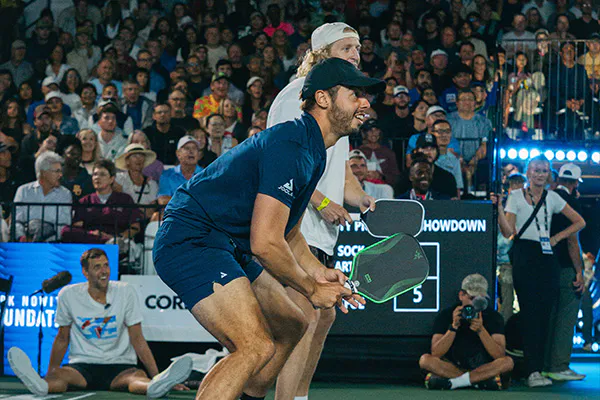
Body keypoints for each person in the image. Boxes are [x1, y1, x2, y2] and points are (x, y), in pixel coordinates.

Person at [153, 58, 380, 400]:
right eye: (355, 94)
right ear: (323, 99)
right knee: (254, 345)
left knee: (293, 325)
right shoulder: (291, 145)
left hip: (229, 243)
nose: (365, 103)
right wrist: (310, 288)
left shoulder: (314, 151)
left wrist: (319, 273)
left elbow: (288, 232)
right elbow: (265, 243)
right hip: (192, 237)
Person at [266, 23, 376, 400]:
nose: (355, 53)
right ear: (321, 53)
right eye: (346, 47)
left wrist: (361, 198)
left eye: (358, 47)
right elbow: (281, 161)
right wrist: (322, 202)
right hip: (291, 227)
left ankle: (299, 395)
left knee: (323, 315)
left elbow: (340, 168)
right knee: (303, 317)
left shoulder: (343, 102)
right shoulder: (296, 95)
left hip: (322, 233)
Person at [7, 248, 192, 398]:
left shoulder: (125, 292)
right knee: (59, 376)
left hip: (120, 366)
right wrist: (51, 371)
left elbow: (137, 338)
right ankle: (42, 385)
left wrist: (155, 374)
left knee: (137, 378)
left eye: (106, 265)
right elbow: (62, 338)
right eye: (97, 267)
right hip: (82, 366)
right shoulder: (69, 295)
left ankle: (156, 385)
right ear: (85, 272)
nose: (104, 271)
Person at [493, 155, 586, 387]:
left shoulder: (552, 197)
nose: (540, 174)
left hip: (547, 257)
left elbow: (579, 222)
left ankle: (540, 368)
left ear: (549, 175)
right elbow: (508, 232)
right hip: (525, 253)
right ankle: (532, 370)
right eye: (536, 169)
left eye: (544, 170)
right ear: (528, 171)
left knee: (545, 314)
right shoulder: (515, 196)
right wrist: (499, 211)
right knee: (529, 313)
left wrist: (556, 237)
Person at [419, 274, 514, 390]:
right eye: (472, 298)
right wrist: (453, 327)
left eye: (480, 300)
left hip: (483, 367)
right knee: (425, 360)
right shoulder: (446, 315)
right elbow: (436, 353)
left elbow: (499, 355)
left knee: (507, 362)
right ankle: (478, 381)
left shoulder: (494, 317)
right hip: (453, 367)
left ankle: (455, 383)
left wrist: (481, 330)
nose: (474, 304)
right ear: (461, 295)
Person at [544, 163, 586, 381]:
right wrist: (579, 271)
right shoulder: (570, 202)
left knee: (549, 317)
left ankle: (543, 364)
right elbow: (572, 240)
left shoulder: (546, 198)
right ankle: (558, 366)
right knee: (565, 317)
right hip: (564, 267)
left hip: (544, 266)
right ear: (576, 182)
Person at [61, 159, 142, 244]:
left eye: (102, 174)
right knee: (65, 231)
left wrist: (117, 237)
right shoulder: (85, 201)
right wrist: (92, 234)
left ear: (112, 179)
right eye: (95, 174)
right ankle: (105, 241)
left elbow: (135, 227)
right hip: (91, 241)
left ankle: (110, 241)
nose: (97, 178)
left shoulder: (125, 199)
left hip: (116, 241)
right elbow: (78, 227)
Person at [13, 151, 72, 242]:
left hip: (51, 243)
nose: (61, 175)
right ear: (44, 173)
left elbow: (63, 226)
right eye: (57, 171)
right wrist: (22, 238)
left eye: (61, 171)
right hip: (25, 241)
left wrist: (47, 241)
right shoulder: (24, 191)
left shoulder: (65, 194)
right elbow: (16, 221)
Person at [157, 135, 203, 205]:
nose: (191, 151)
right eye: (187, 148)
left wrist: (177, 200)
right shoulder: (167, 175)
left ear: (199, 155)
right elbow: (163, 200)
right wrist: (192, 202)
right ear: (178, 154)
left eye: (194, 148)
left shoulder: (205, 175)